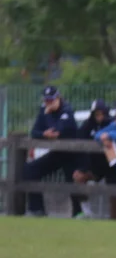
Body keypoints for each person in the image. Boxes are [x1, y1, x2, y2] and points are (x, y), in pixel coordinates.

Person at [23, 85, 77, 217]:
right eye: (46, 100)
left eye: (51, 99)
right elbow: (34, 132)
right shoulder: (44, 110)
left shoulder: (67, 111)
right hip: (58, 153)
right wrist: (44, 134)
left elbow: (57, 130)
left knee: (73, 180)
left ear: (58, 98)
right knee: (30, 170)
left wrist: (47, 116)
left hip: (73, 154)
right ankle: (37, 210)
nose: (49, 102)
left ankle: (78, 212)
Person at [71, 99, 113, 218]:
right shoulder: (87, 125)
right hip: (94, 165)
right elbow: (79, 141)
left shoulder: (112, 123)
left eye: (101, 113)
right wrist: (84, 166)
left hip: (111, 164)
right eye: (96, 113)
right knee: (78, 177)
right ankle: (85, 212)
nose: (99, 116)